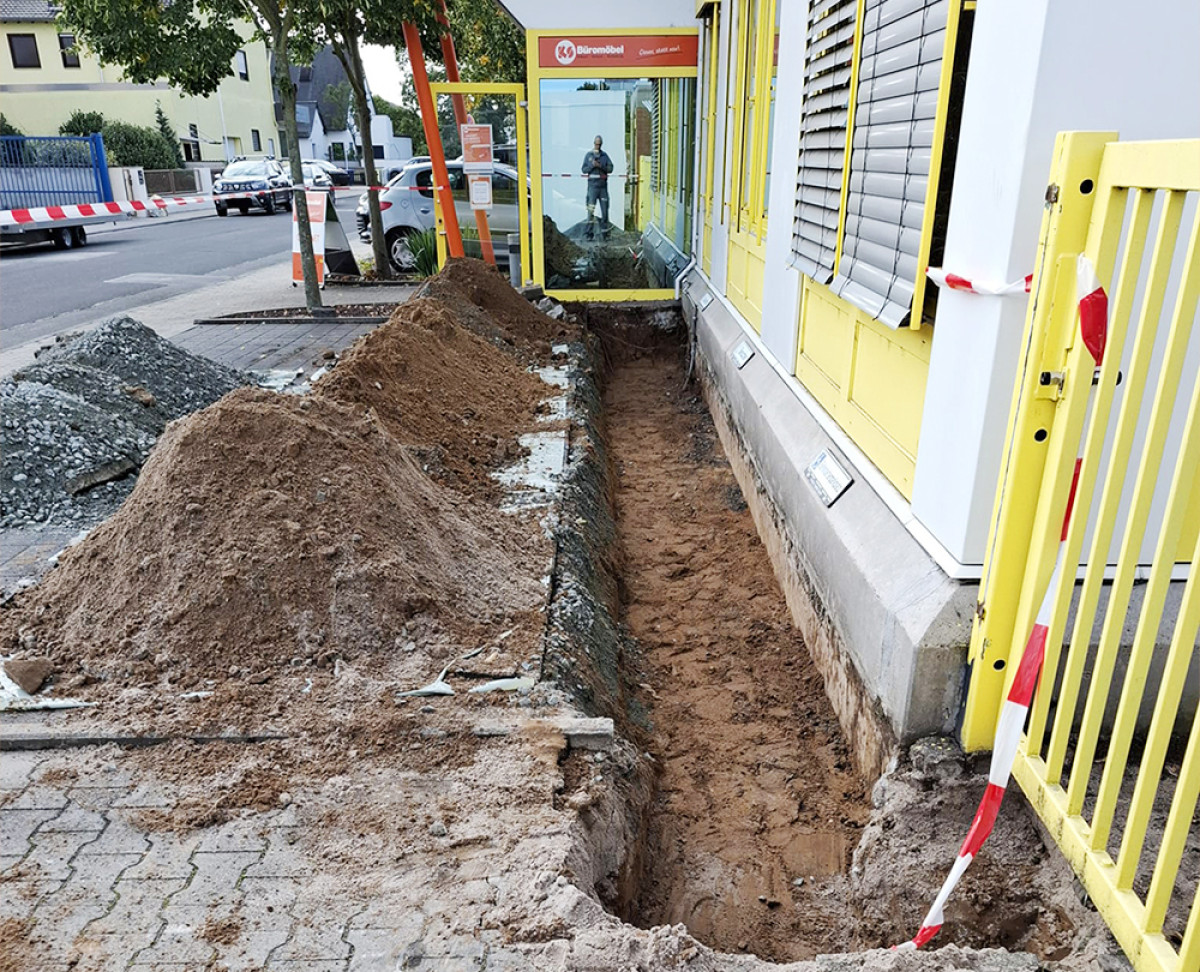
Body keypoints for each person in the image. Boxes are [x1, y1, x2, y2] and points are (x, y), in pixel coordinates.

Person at [581, 135, 613, 240]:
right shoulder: (588, 155)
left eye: (599, 144)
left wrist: (601, 166)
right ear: (594, 143)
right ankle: (588, 234)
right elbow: (584, 169)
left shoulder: (604, 156)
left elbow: (610, 168)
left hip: (603, 188)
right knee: (591, 211)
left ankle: (605, 234)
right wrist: (592, 166)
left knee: (605, 212)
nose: (597, 145)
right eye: (596, 144)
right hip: (592, 188)